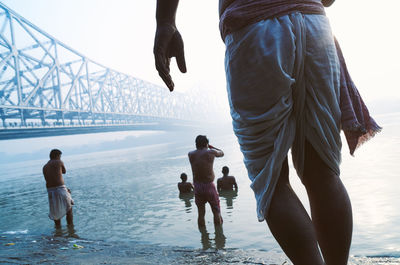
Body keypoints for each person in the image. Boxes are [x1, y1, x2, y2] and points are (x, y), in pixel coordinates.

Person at [154, 1, 354, 264]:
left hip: (253, 28)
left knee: (273, 181)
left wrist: (165, 21)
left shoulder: (193, 154)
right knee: (323, 174)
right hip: (315, 26)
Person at [188, 135, 224, 227]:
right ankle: (219, 236)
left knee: (201, 214)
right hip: (209, 186)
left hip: (197, 187)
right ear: (206, 143)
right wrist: (211, 147)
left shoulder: (190, 154)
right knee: (216, 212)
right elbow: (222, 153)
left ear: (196, 144)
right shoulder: (211, 152)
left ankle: (204, 239)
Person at [43, 149, 74, 227]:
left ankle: (58, 231)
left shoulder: (45, 167)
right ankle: (71, 229)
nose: (60, 158)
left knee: (55, 212)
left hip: (50, 191)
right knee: (69, 209)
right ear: (57, 156)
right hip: (59, 188)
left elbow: (50, 179)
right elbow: (64, 171)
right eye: (60, 156)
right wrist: (65, 189)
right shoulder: (58, 162)